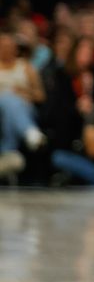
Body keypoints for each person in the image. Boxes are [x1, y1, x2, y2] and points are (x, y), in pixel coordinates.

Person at [0, 30, 47, 176]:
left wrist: (26, 93)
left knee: (12, 104)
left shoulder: (26, 67)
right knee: (7, 99)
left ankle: (9, 152)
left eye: (10, 46)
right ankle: (31, 134)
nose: (6, 49)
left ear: (15, 48)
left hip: (26, 109)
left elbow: (41, 96)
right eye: (3, 46)